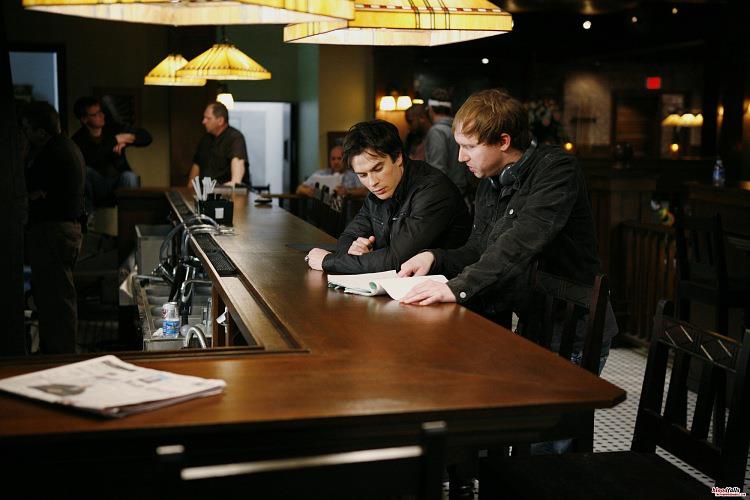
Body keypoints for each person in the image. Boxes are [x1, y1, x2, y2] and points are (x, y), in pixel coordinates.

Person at [400, 88, 618, 366]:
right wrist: (434, 257)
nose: (460, 158)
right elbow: (479, 247)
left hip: (573, 330)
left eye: (469, 147)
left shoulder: (557, 168)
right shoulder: (490, 180)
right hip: (533, 322)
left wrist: (458, 288)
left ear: (503, 141)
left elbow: (521, 241)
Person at [305, 120, 471, 274]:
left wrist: (328, 261)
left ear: (398, 157)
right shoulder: (379, 190)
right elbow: (348, 236)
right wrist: (354, 250)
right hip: (400, 286)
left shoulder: (433, 190)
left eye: (378, 169)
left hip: (445, 288)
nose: (372, 182)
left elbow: (396, 259)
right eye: (362, 175)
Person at [21, 101, 85, 354]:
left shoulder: (51, 153)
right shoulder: (67, 146)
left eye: (27, 128)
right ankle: (57, 352)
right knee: (56, 296)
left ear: (40, 131)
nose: (25, 134)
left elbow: (29, 189)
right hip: (64, 230)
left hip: (54, 231)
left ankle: (60, 356)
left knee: (56, 299)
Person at [72, 96, 151, 209]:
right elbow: (93, 157)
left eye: (101, 111)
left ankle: (131, 214)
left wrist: (127, 139)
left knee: (129, 176)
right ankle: (88, 215)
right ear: (84, 119)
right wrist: (115, 140)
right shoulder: (78, 140)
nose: (102, 115)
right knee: (85, 172)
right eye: (95, 114)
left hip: (116, 180)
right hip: (96, 183)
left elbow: (147, 137)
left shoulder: (113, 129)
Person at [424, 88, 475, 206]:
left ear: (430, 109)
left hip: (447, 199)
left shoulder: (437, 131)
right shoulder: (460, 129)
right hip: (463, 194)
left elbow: (437, 170)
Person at [188, 102, 248, 186]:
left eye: (208, 118)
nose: (204, 121)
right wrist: (190, 188)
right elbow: (196, 166)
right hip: (205, 191)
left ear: (220, 121)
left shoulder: (235, 137)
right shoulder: (205, 140)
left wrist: (235, 183)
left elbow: (238, 162)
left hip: (225, 191)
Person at [295, 143, 368, 198]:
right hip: (322, 210)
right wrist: (307, 191)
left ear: (345, 160)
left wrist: (347, 191)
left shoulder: (353, 175)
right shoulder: (321, 173)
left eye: (339, 158)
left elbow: (365, 191)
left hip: (346, 211)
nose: (336, 162)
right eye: (333, 159)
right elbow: (299, 189)